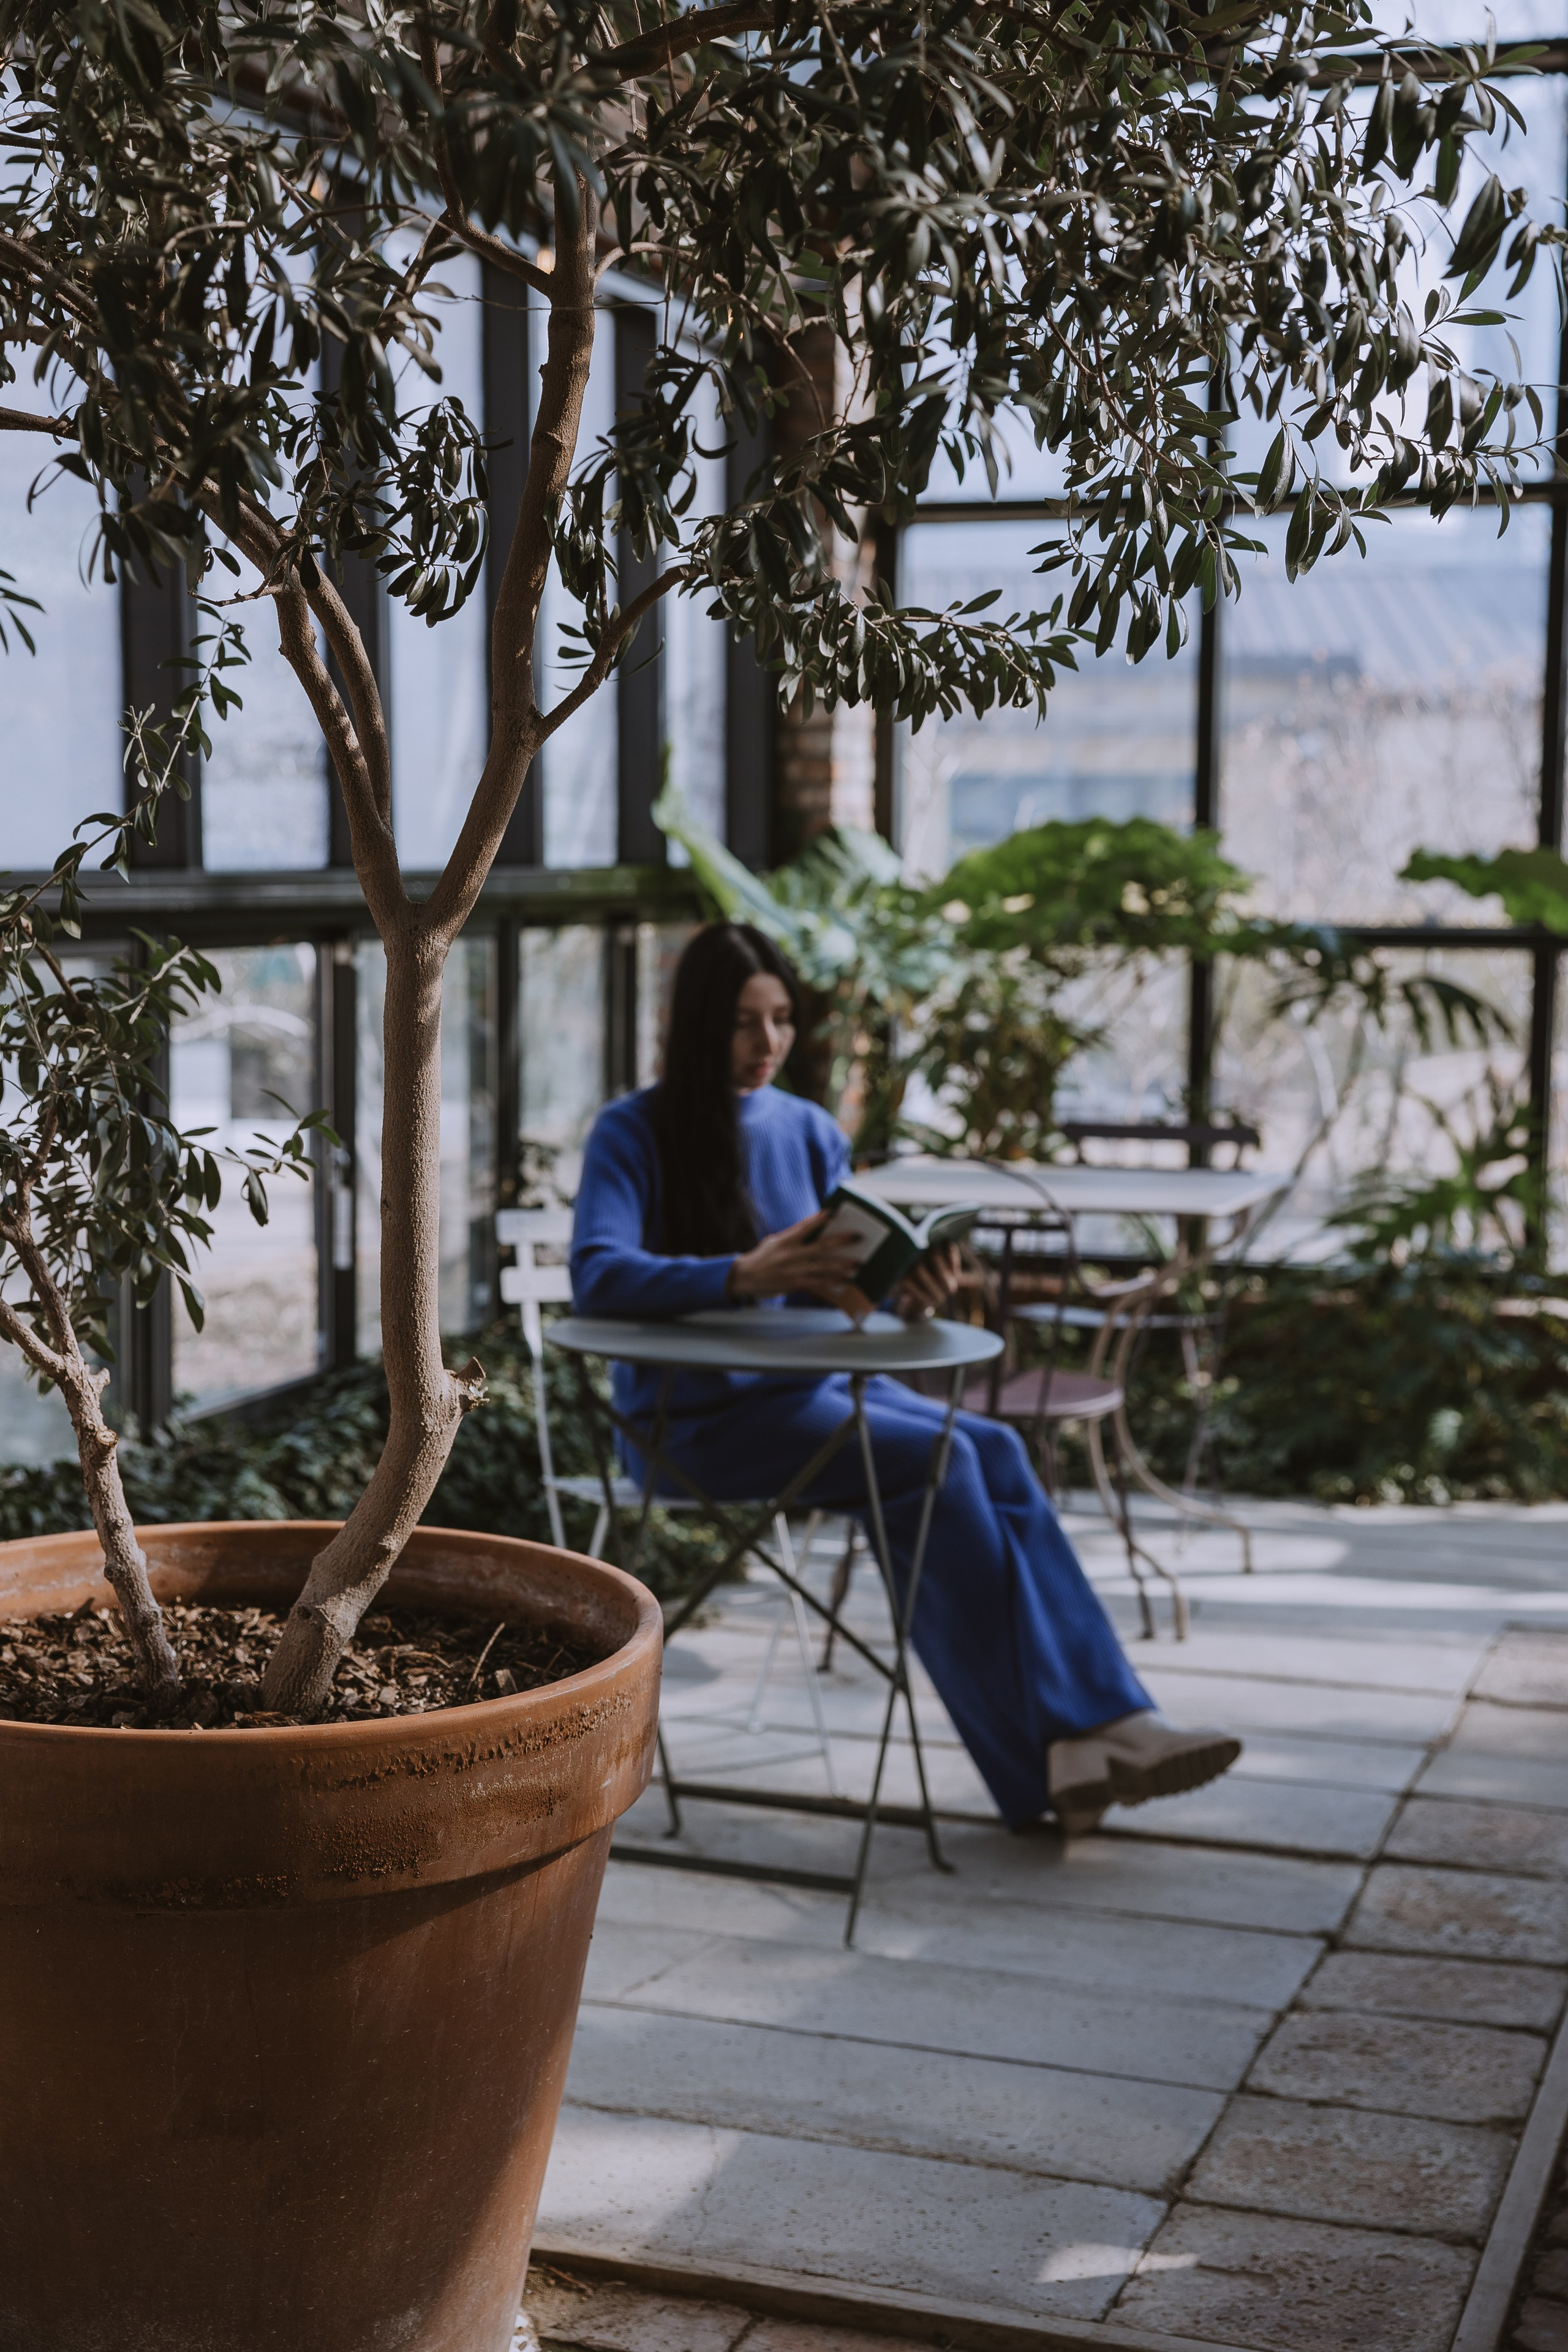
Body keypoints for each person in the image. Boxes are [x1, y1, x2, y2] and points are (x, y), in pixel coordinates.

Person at [569, 921, 1242, 1835]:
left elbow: (847, 1288)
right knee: (941, 1464)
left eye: (781, 1019)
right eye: (742, 1022)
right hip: (690, 1427)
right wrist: (740, 1273)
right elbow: (598, 1275)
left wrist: (906, 1295)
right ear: (697, 1025)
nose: (768, 1042)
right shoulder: (633, 1131)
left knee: (993, 1448)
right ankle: (1073, 1741)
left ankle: (1093, 1735)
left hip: (817, 1394)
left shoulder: (809, 1131)